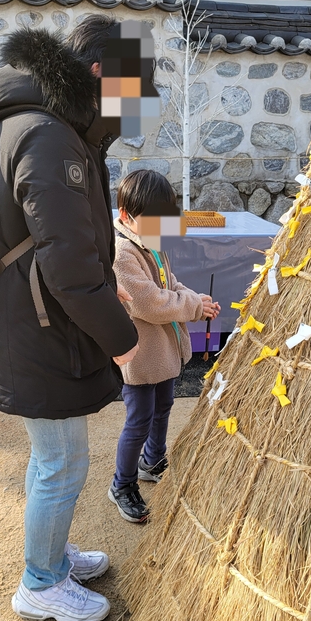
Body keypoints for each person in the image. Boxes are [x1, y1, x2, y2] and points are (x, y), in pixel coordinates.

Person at [0, 16, 158, 621]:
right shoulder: (48, 137)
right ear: (102, 74)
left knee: (55, 459)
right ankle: (40, 582)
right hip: (37, 329)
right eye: (137, 84)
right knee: (61, 463)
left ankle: (52, 555)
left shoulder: (30, 124)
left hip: (27, 322)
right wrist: (124, 342)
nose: (140, 101)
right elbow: (70, 266)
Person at [109, 170, 220, 523]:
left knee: (164, 405)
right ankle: (122, 484)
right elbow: (149, 302)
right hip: (141, 357)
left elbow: (171, 283)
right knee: (139, 419)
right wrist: (191, 305)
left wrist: (193, 298)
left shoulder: (150, 244)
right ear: (127, 215)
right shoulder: (123, 252)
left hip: (164, 353)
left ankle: (153, 459)